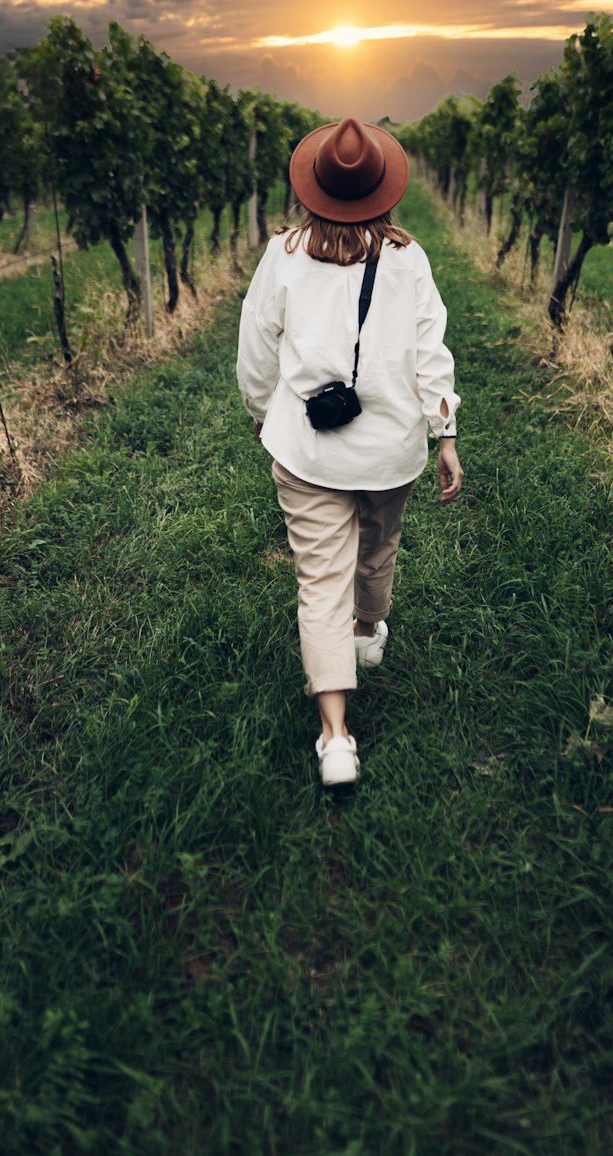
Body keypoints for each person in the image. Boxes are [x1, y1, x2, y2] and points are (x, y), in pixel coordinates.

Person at [235, 115, 463, 786]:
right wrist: (444, 431)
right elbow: (431, 353)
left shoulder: (283, 254)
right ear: (383, 190)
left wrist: (260, 412)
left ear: (313, 188)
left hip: (307, 447)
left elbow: (256, 348)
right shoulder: (408, 258)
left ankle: (336, 738)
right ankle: (368, 634)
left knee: (318, 581)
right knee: (378, 546)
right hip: (391, 449)